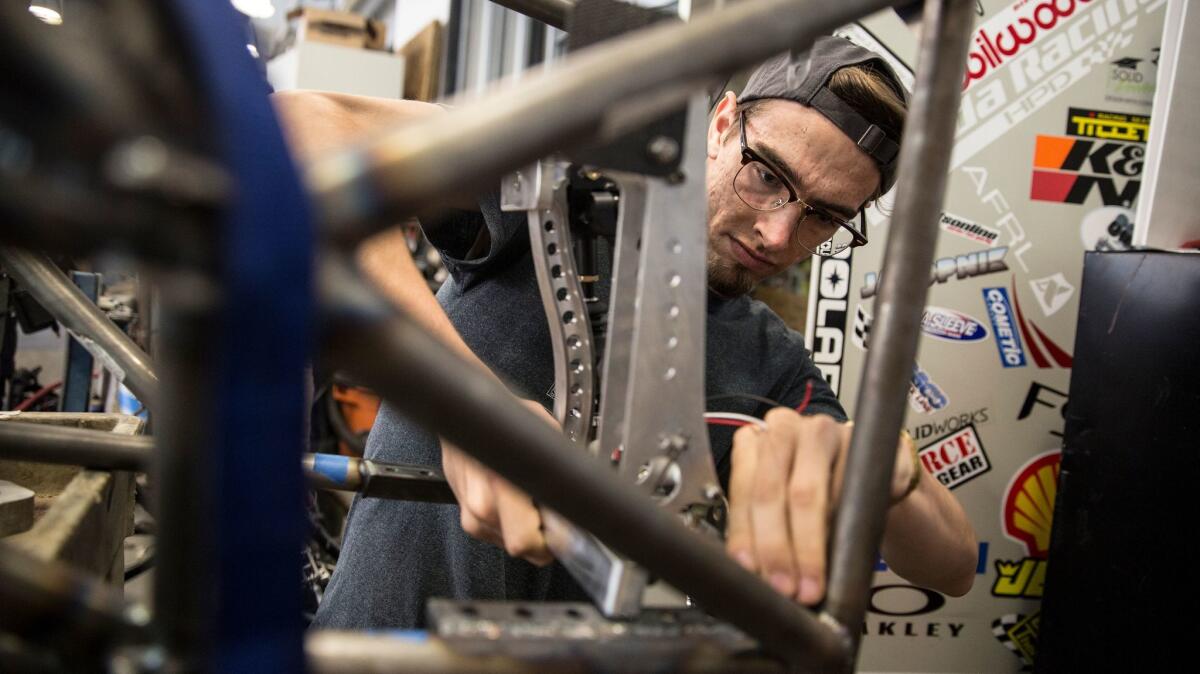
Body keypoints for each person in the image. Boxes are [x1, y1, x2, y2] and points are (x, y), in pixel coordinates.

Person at [275, 36, 977, 631]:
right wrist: (462, 403)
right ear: (723, 122)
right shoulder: (560, 202)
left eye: (823, 217)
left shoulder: (769, 365)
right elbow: (304, 125)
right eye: (766, 178)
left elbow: (950, 567)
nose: (778, 233)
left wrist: (890, 469)